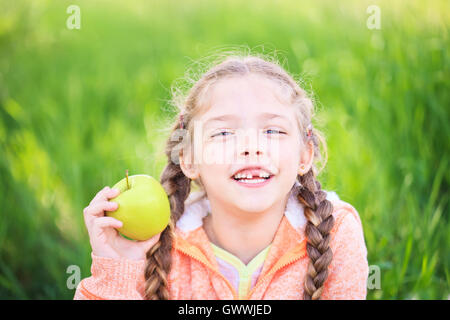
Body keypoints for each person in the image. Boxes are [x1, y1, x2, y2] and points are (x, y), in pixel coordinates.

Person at [74, 54, 369, 300]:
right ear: (189, 159)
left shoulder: (335, 232)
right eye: (224, 133)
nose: (251, 148)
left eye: (273, 131)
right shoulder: (160, 245)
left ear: (304, 154)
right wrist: (117, 267)